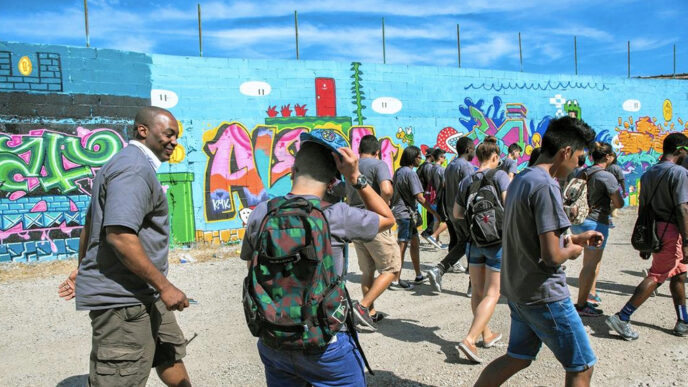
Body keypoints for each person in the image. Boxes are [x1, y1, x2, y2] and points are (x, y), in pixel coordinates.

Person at [241, 129, 395, 386]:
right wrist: (355, 177)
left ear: (293, 170)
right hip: (326, 344)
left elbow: (252, 268)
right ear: (334, 179)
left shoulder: (261, 213)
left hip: (273, 339)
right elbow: (387, 217)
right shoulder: (337, 215)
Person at [58, 106, 192, 387]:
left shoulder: (127, 165)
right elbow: (119, 235)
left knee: (168, 352)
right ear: (143, 130)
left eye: (177, 135)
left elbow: (91, 225)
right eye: (169, 133)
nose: (175, 141)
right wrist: (166, 287)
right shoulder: (133, 169)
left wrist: (81, 268)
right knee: (122, 375)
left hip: (144, 291)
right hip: (124, 302)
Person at [475, 116, 603, 387]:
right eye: (580, 158)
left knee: (517, 357)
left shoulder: (522, 178)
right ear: (565, 152)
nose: (579, 166)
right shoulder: (546, 185)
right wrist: (573, 250)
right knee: (582, 366)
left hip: (520, 290)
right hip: (544, 294)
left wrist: (576, 238)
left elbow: (528, 234)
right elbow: (552, 255)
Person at [606, 133, 688, 340]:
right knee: (657, 276)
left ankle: (683, 320)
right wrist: (687, 241)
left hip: (654, 229)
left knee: (678, 274)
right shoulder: (679, 173)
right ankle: (622, 317)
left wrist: (645, 242)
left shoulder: (649, 173)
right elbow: (683, 209)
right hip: (672, 231)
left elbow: (643, 209)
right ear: (680, 150)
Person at [454, 136, 510, 363]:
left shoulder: (466, 181)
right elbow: (510, 205)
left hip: (474, 241)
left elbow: (457, 214)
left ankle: (486, 334)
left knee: (477, 290)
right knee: (493, 293)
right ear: (495, 156)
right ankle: (470, 339)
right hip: (497, 242)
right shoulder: (501, 176)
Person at [345, 135, 400, 328]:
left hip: (355, 221)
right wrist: (383, 206)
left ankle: (370, 312)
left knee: (367, 270)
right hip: (375, 221)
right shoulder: (379, 164)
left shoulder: (352, 166)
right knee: (392, 269)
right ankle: (362, 306)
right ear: (378, 151)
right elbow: (386, 189)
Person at [570, 143, 624, 316]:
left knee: (588, 263)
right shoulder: (607, 177)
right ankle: (581, 304)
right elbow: (619, 203)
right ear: (607, 157)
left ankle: (588, 296)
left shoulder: (583, 172)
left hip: (578, 220)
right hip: (596, 223)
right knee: (590, 265)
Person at [426, 137, 476, 292]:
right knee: (473, 245)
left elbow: (445, 188)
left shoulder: (450, 166)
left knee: (463, 243)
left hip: (452, 212)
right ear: (468, 149)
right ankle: (472, 285)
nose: (474, 152)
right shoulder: (466, 167)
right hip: (464, 212)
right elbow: (470, 191)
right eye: (473, 149)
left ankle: (439, 270)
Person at [391, 146, 440, 290]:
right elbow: (419, 197)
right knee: (402, 245)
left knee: (415, 242)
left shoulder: (399, 171)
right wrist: (434, 212)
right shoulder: (410, 174)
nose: (421, 159)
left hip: (405, 214)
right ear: (413, 158)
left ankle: (418, 275)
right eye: (419, 157)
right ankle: (395, 280)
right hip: (406, 214)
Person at [425, 148, 448, 249]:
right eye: (444, 157)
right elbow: (444, 184)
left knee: (436, 220)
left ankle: (435, 241)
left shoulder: (430, 168)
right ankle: (435, 239)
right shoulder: (441, 169)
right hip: (438, 197)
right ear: (441, 157)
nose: (445, 159)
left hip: (431, 196)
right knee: (443, 220)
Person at [418, 148, 436, 241]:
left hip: (423, 192)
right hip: (428, 193)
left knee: (430, 213)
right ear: (432, 156)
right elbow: (430, 181)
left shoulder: (422, 166)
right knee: (433, 213)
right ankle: (428, 232)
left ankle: (429, 232)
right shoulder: (428, 167)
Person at [607, 153, 626, 218]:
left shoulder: (604, 167)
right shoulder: (616, 168)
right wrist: (624, 190)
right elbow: (622, 180)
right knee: (615, 203)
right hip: (614, 189)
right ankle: (613, 214)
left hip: (604, 189)